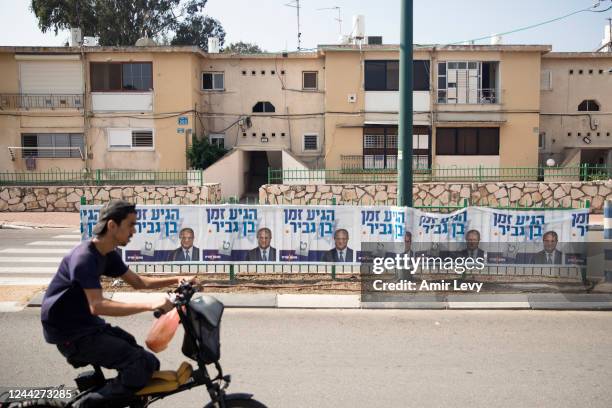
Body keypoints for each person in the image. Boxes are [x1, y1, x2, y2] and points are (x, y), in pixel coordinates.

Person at [41, 200, 195, 408]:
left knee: (149, 362)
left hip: (86, 324)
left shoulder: (107, 254)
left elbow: (138, 282)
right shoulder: (84, 258)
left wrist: (176, 279)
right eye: (130, 224)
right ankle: (86, 405)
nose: (134, 230)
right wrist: (150, 304)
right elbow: (99, 306)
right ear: (112, 225)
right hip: (70, 333)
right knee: (138, 365)